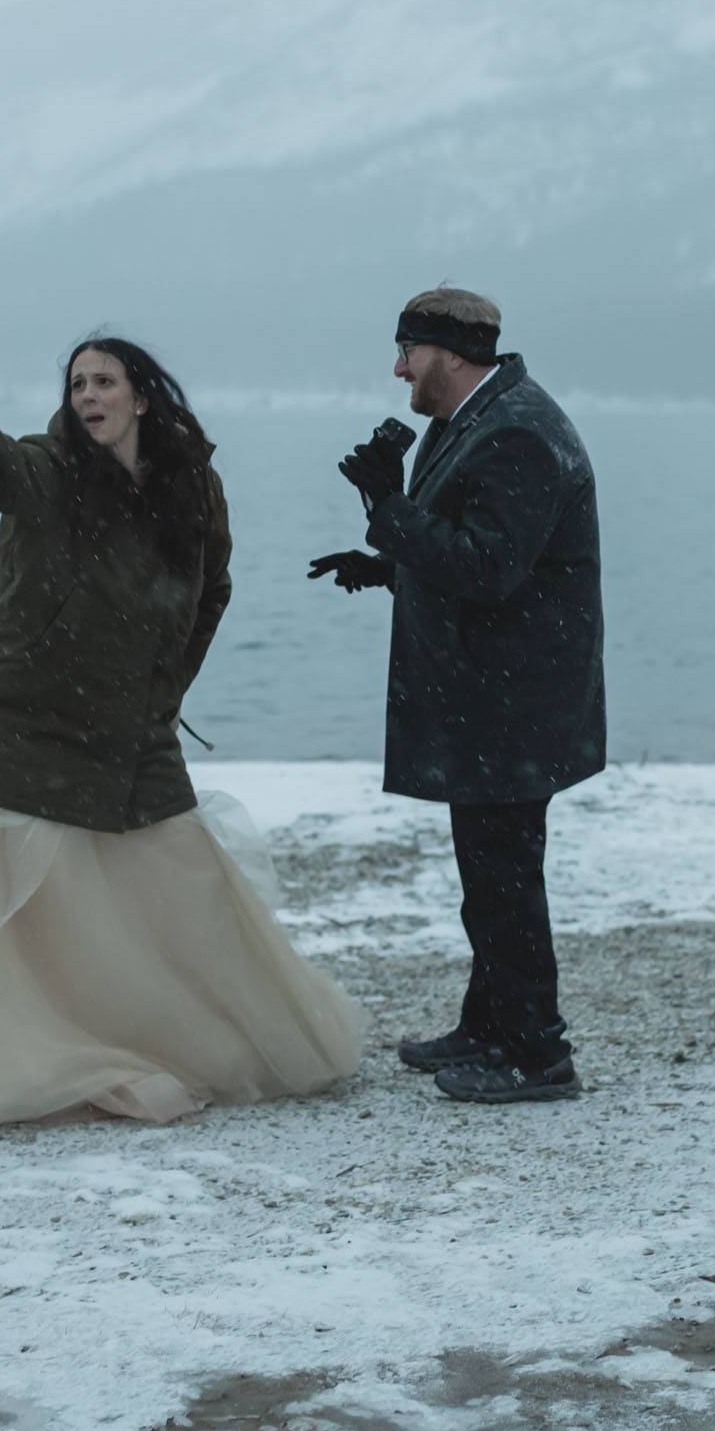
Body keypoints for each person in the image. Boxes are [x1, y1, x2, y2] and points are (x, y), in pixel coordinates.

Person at [0, 333, 362, 1129]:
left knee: (183, 883)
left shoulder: (193, 483)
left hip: (133, 728)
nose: (87, 395)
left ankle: (192, 1035)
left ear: (141, 397)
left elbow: (211, 586)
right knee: (18, 915)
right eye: (77, 383)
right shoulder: (48, 470)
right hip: (22, 719)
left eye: (103, 381)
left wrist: (164, 684)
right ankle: (34, 1054)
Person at [309, 287, 604, 1104]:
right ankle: (489, 1025)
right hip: (496, 700)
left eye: (407, 349)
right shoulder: (474, 419)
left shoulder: (516, 432)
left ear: (450, 353)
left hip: (514, 707)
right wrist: (388, 561)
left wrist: (387, 507)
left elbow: (491, 569)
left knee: (505, 878)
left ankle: (537, 1055)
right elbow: (475, 547)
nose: (398, 366)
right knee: (490, 876)